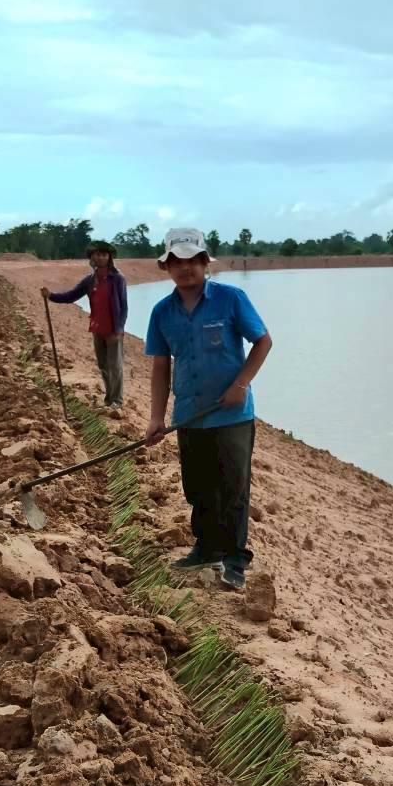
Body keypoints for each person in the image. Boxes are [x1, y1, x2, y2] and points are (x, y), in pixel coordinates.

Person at [144, 227, 273, 591]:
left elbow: (263, 341)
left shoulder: (231, 299)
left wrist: (241, 384)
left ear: (205, 263)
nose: (185, 268)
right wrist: (156, 417)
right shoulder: (161, 312)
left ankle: (234, 559)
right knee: (198, 487)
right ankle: (206, 549)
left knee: (233, 488)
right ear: (166, 267)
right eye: (176, 262)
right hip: (189, 413)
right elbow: (160, 366)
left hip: (231, 413)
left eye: (192, 261)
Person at [40, 241, 128, 408]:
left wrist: (119, 329)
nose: (100, 258)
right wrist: (51, 295)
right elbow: (71, 296)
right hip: (97, 328)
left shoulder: (118, 279)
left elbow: (124, 306)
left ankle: (117, 400)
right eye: (97, 254)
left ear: (109, 257)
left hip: (113, 330)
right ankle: (109, 398)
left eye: (104, 254)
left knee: (115, 366)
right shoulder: (89, 281)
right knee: (103, 365)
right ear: (92, 257)